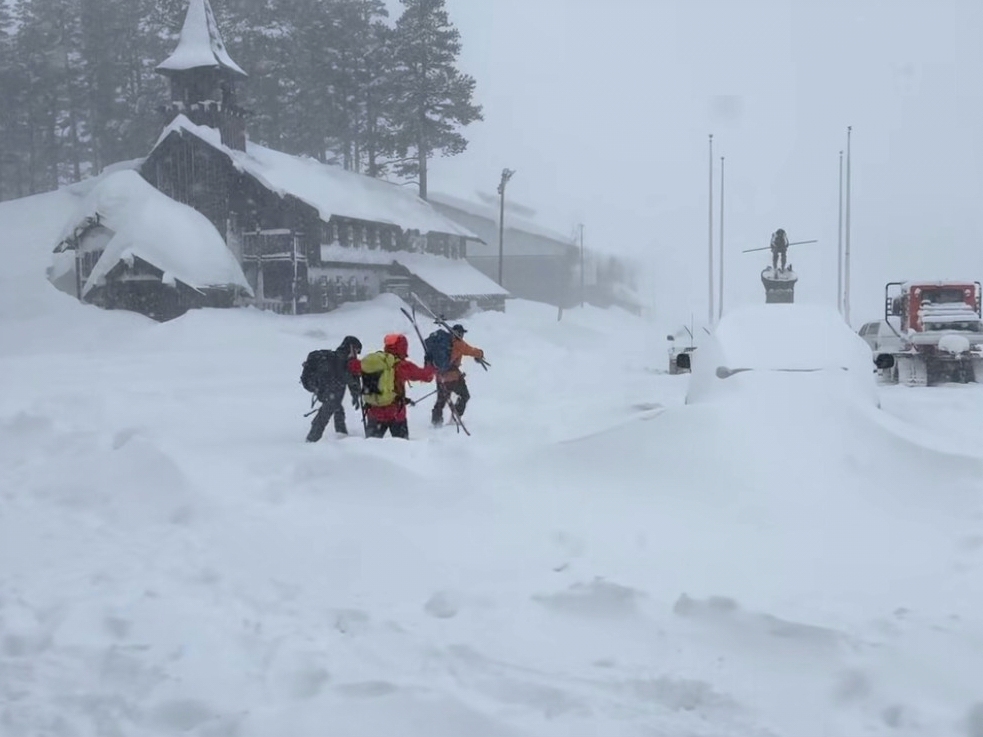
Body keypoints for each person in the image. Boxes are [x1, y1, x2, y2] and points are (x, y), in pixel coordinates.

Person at [348, 333, 435, 439]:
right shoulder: (402, 366)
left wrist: (351, 358)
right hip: (396, 413)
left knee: (371, 447)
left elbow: (353, 366)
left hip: (374, 412)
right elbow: (427, 376)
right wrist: (429, 363)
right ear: (403, 348)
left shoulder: (373, 363)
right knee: (402, 447)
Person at [305, 335, 363, 442]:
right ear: (351, 347)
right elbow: (346, 376)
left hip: (329, 390)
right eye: (356, 350)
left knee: (337, 409)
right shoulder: (341, 357)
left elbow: (347, 376)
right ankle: (312, 440)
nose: (356, 354)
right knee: (326, 413)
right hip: (330, 390)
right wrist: (355, 390)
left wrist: (355, 393)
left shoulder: (339, 357)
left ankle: (340, 435)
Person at [431, 324, 485, 427]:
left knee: (441, 401)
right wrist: (480, 353)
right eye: (462, 333)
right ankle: (455, 418)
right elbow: (471, 351)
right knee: (464, 395)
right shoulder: (458, 343)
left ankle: (436, 422)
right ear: (459, 333)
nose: (463, 335)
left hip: (440, 377)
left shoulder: (442, 342)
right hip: (454, 378)